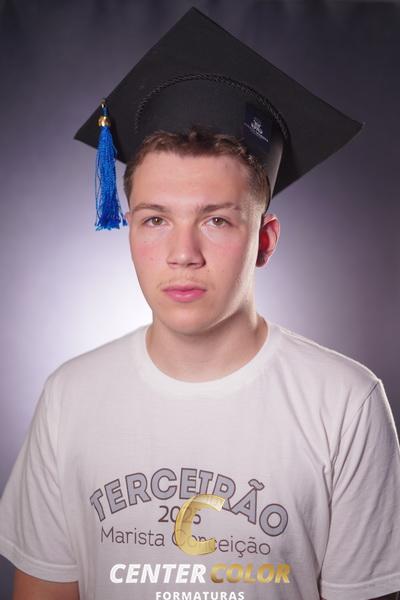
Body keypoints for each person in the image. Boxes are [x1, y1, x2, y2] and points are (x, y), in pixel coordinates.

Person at [0, 7, 399, 600]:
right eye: (155, 219)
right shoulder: (70, 397)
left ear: (265, 241)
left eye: (216, 220)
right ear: (128, 227)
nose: (182, 253)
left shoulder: (345, 405)